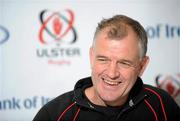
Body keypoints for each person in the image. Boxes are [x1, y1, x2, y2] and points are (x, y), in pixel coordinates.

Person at [33, 15, 180, 121]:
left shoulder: (162, 105)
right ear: (92, 57)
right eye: (103, 59)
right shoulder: (54, 115)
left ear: (142, 66)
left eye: (124, 63)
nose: (112, 73)